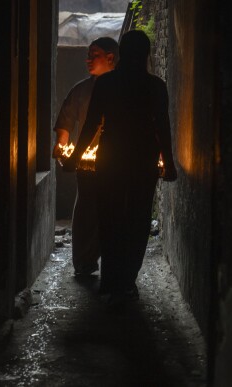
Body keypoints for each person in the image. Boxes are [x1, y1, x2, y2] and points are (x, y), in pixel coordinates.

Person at [63, 30, 177, 303]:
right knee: (137, 221)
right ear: (146, 54)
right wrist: (168, 163)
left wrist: (75, 157)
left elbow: (91, 125)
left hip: (111, 157)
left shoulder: (107, 84)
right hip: (142, 158)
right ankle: (127, 280)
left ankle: (112, 279)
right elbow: (162, 128)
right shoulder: (155, 87)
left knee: (110, 218)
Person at [52, 37, 119, 276]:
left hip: (116, 164)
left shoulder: (123, 89)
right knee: (86, 211)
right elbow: (65, 123)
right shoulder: (81, 90)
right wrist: (62, 149)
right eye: (88, 54)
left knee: (112, 212)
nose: (88, 60)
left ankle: (112, 263)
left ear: (111, 58)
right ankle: (84, 261)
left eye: (95, 55)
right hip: (88, 164)